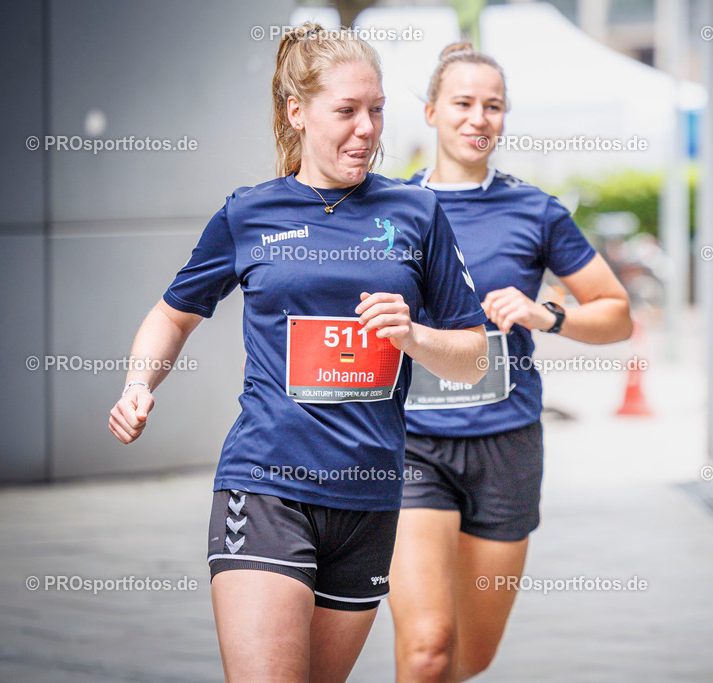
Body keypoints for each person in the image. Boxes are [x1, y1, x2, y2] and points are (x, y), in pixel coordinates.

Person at [107, 25, 488, 682]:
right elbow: (173, 316)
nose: (366, 128)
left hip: (368, 499)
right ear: (297, 111)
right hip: (265, 487)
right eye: (346, 111)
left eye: (375, 109)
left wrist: (414, 338)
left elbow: (475, 356)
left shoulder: (418, 212)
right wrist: (140, 383)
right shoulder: (250, 213)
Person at [388, 43, 633, 682]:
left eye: (492, 106)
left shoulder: (535, 210)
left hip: (506, 447)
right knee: (426, 649)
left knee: (468, 658)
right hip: (412, 446)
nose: (478, 118)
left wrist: (548, 313)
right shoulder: (387, 207)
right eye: (463, 103)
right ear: (431, 112)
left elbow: (616, 313)